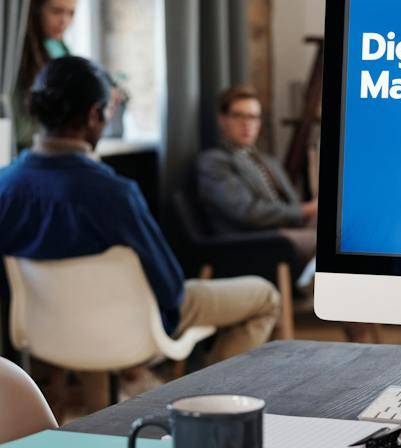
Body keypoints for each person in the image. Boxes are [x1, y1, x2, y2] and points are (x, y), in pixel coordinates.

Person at [0, 56, 281, 364]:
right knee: (265, 297)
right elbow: (169, 287)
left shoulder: (5, 186)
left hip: (46, 330)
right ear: (95, 114)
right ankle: (205, 397)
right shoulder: (113, 193)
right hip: (126, 327)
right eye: (109, 110)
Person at [196, 85, 317, 262]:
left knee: (349, 230)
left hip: (290, 226)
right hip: (254, 239)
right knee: (331, 244)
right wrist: (304, 210)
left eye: (253, 117)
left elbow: (291, 201)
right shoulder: (214, 162)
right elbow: (248, 212)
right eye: (238, 116)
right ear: (223, 120)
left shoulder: (268, 161)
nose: (246, 123)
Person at [15, 0, 78, 150]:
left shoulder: (60, 49)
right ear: (35, 7)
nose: (64, 21)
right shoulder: (15, 54)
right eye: (57, 11)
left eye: (71, 13)